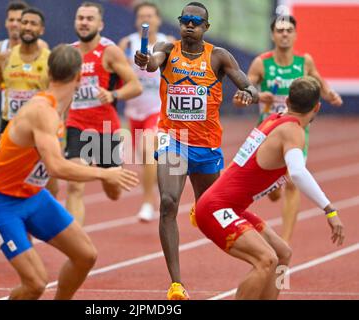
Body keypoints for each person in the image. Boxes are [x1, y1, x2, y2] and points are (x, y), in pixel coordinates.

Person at [0, 44, 139, 300]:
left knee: (86, 256)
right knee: (35, 284)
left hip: (32, 196)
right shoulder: (43, 111)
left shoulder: (61, 107)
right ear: (78, 78)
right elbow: (56, 166)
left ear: (49, 74)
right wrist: (105, 173)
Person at [135, 1, 259, 300]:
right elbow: (152, 63)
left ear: (206, 27)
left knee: (212, 211)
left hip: (206, 146)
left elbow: (250, 88)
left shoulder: (218, 56)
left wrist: (247, 94)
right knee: (167, 201)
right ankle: (177, 285)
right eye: (185, 20)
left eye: (196, 21)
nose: (189, 24)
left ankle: (203, 213)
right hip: (172, 139)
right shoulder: (167, 48)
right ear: (180, 24)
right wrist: (145, 61)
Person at [196, 77, 345, 300]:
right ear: (317, 107)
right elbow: (297, 172)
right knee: (266, 260)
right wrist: (330, 210)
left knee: (283, 253)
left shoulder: (274, 119)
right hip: (216, 208)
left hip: (230, 206)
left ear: (287, 100)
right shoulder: (293, 132)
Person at [233, 15, 343, 243]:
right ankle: (274, 189)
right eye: (280, 30)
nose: (284, 34)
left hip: (296, 131)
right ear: (273, 35)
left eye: (288, 30)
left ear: (295, 34)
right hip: (270, 132)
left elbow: (319, 82)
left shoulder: (305, 62)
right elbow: (244, 92)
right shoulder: (262, 63)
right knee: (273, 191)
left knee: (293, 181)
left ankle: (285, 241)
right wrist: (253, 97)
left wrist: (330, 93)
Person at [0, 8, 59, 197]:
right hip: (10, 127)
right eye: (25, 23)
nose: (28, 27)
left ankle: (46, 221)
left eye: (33, 24)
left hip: (40, 129)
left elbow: (60, 93)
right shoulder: (5, 57)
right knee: (1, 180)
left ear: (42, 30)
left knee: (47, 183)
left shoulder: (50, 59)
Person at [65, 2, 142, 225]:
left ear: (100, 24)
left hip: (106, 129)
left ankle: (108, 174)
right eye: (80, 18)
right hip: (77, 125)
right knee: (74, 184)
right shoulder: (70, 53)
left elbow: (135, 86)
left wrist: (113, 95)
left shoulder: (110, 52)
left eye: (90, 19)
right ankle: (75, 240)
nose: (84, 22)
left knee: (113, 192)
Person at [119, 1, 175, 222]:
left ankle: (148, 203)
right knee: (146, 159)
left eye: (151, 15)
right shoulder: (127, 43)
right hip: (134, 111)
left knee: (148, 146)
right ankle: (160, 185)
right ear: (136, 21)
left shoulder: (168, 43)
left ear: (158, 19)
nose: (147, 20)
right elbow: (120, 73)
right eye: (142, 16)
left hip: (158, 109)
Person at [0, 1, 49, 127]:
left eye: (19, 20)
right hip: (9, 114)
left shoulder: (41, 48)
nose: (14, 24)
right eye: (11, 19)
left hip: (34, 115)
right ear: (6, 23)